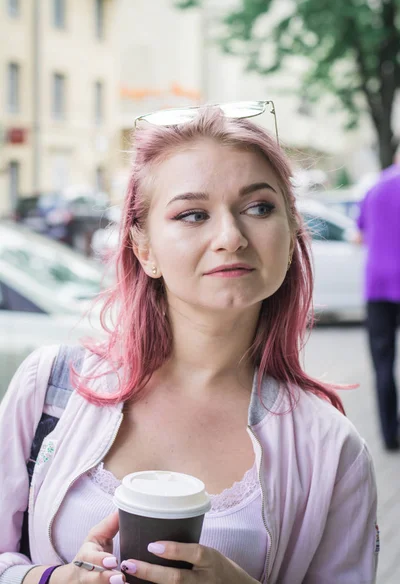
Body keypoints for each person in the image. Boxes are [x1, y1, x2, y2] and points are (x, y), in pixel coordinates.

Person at [0, 103, 378, 584]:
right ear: (145, 249)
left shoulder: (330, 447)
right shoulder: (50, 387)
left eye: (259, 207)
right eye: (193, 214)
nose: (230, 237)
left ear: (291, 234)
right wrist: (48, 580)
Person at [357, 161, 400, 451]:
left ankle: (390, 436)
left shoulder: (373, 188)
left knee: (383, 365)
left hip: (378, 286)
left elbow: (359, 235)